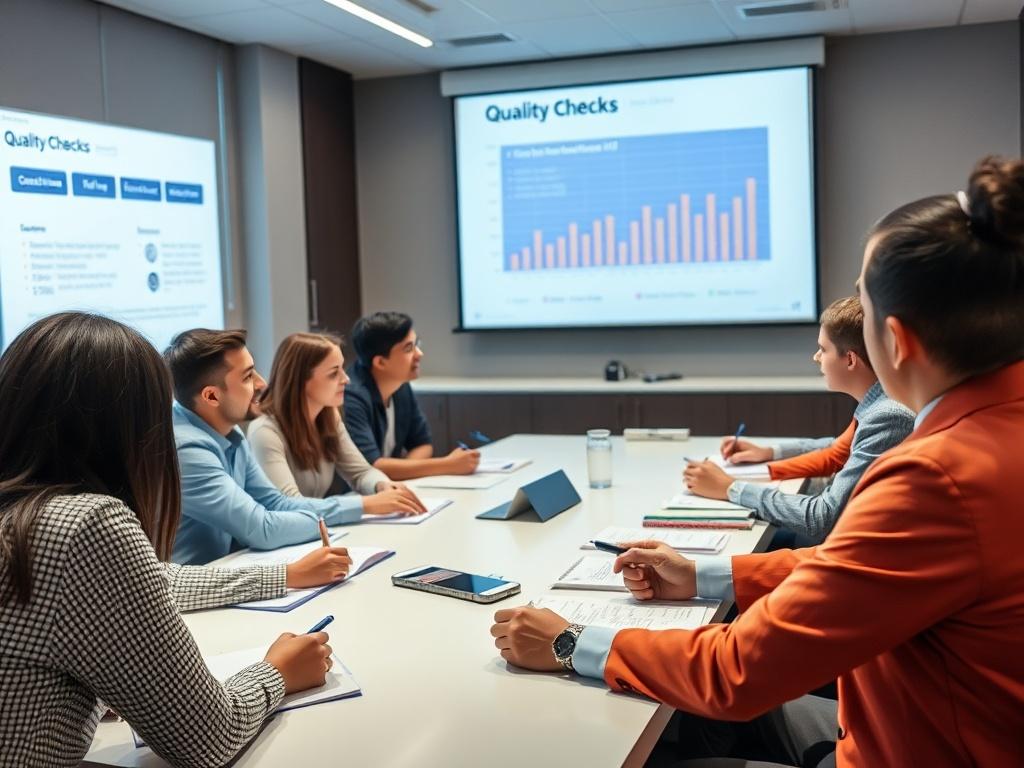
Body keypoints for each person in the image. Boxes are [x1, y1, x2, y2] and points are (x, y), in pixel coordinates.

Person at [490, 156, 1024, 767]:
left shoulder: (938, 476)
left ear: (896, 341)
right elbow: (855, 568)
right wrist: (707, 576)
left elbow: (739, 673)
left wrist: (569, 641)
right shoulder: (996, 434)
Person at [0, 313, 345, 768]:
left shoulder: (26, 515)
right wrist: (277, 672)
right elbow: (207, 739)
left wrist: (280, 575)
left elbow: (159, 579)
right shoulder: (85, 525)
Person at [165, 328, 412, 566]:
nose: (261, 384)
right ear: (211, 397)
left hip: (227, 571)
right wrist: (351, 510)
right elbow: (262, 528)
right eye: (248, 376)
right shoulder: (186, 449)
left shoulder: (230, 431)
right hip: (189, 592)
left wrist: (349, 510)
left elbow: (277, 503)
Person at [683, 296, 915, 543]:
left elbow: (821, 519)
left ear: (849, 359)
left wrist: (730, 488)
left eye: (823, 349)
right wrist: (769, 452)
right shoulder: (880, 402)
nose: (816, 357)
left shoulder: (888, 416)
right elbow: (840, 447)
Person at [249, 332, 426, 517]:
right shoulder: (264, 432)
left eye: (342, 369)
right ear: (300, 381)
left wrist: (383, 486)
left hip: (313, 534)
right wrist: (365, 504)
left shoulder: (328, 416)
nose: (346, 379)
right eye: (334, 373)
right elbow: (289, 506)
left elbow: (361, 473)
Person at [343, 311, 480, 480]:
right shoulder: (351, 397)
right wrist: (447, 465)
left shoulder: (400, 385)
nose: (419, 354)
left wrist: (402, 471)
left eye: (417, 344)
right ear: (380, 362)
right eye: (409, 348)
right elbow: (370, 467)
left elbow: (422, 444)